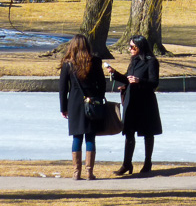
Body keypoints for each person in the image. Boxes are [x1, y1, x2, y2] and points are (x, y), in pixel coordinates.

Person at [106, 35, 162, 175]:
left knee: (148, 133)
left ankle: (147, 162)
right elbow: (127, 78)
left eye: (132, 47)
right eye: (129, 46)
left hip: (145, 102)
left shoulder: (151, 62)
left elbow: (154, 83)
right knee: (129, 132)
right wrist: (115, 74)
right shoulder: (134, 61)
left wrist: (139, 81)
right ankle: (126, 164)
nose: (130, 49)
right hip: (132, 101)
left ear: (140, 47)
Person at [59, 34, 106, 180]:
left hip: (74, 104)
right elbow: (102, 84)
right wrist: (96, 97)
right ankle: (89, 172)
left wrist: (63, 107)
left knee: (77, 137)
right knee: (91, 137)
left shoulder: (68, 64)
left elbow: (63, 89)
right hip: (91, 103)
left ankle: (76, 172)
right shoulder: (95, 61)